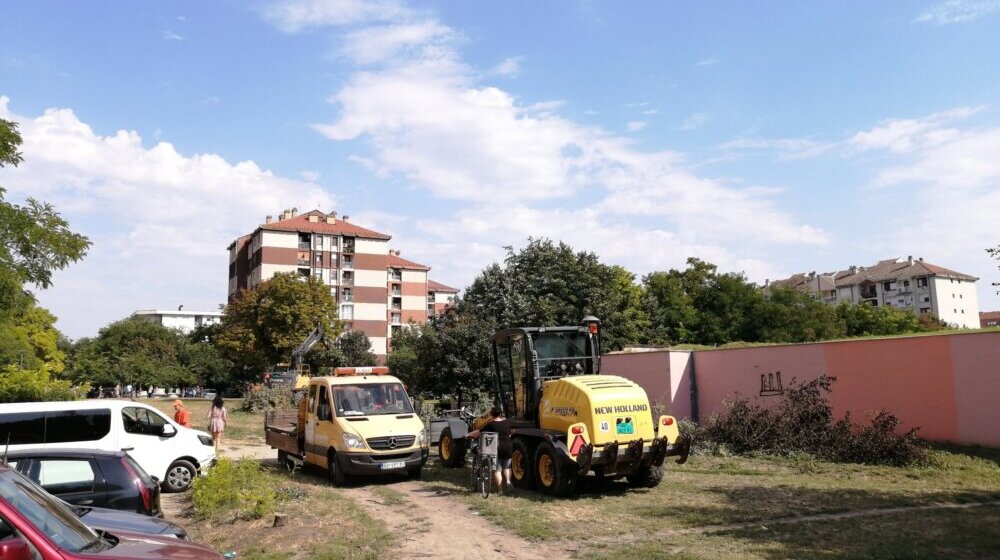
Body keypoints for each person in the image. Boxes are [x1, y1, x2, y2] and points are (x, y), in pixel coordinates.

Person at [467, 406, 513, 493]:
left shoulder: (490, 424)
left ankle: (500, 490)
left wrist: (468, 434)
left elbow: (478, 433)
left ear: (491, 414)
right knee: (507, 467)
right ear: (500, 413)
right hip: (508, 447)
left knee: (497, 469)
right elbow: (510, 434)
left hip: (497, 448)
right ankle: (508, 481)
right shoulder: (507, 423)